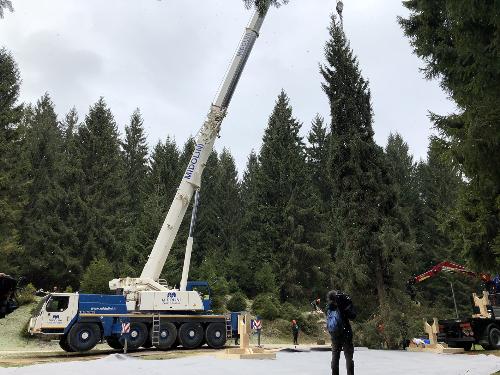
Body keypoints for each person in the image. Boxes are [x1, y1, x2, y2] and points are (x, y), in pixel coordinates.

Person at [326, 290, 356, 375]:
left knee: (335, 358)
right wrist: (347, 304)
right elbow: (353, 316)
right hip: (346, 333)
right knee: (349, 358)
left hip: (334, 335)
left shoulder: (329, 307)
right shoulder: (343, 304)